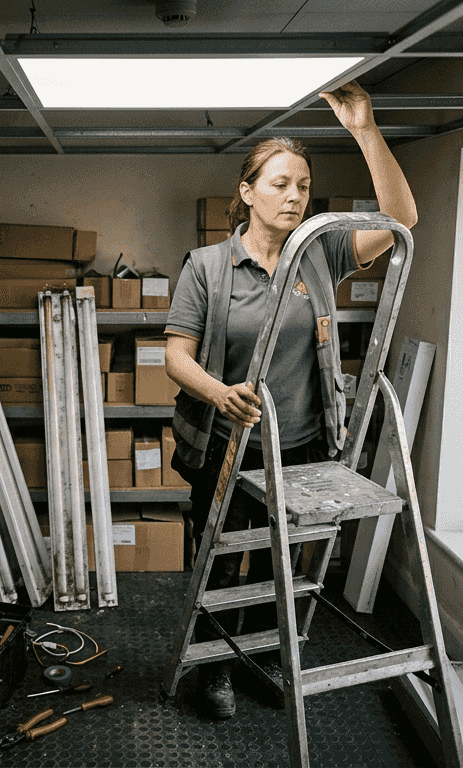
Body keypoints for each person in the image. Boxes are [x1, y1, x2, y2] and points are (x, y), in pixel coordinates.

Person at [164, 81, 417, 719]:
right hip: (230, 442)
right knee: (222, 561)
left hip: (301, 443)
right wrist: (220, 394)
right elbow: (176, 355)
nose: (295, 195)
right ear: (247, 193)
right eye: (279, 183)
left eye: (302, 185)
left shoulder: (321, 253)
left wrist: (364, 128)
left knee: (279, 563)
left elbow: (402, 221)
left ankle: (258, 658)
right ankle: (213, 670)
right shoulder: (207, 266)